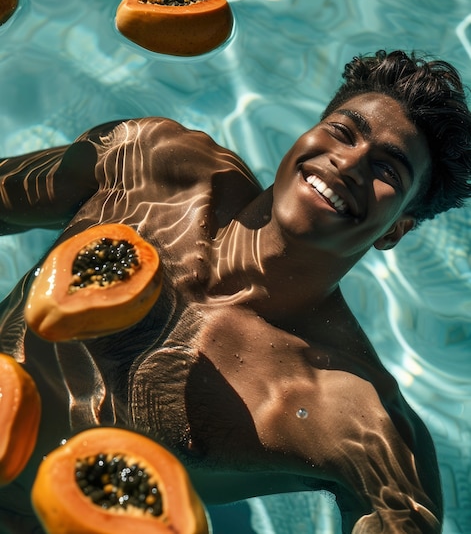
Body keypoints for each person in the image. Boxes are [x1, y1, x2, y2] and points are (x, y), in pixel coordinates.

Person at [1, 49, 470, 533]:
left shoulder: (353, 413)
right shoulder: (150, 166)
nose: (349, 163)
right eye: (342, 131)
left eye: (387, 170)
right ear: (304, 135)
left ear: (396, 230)